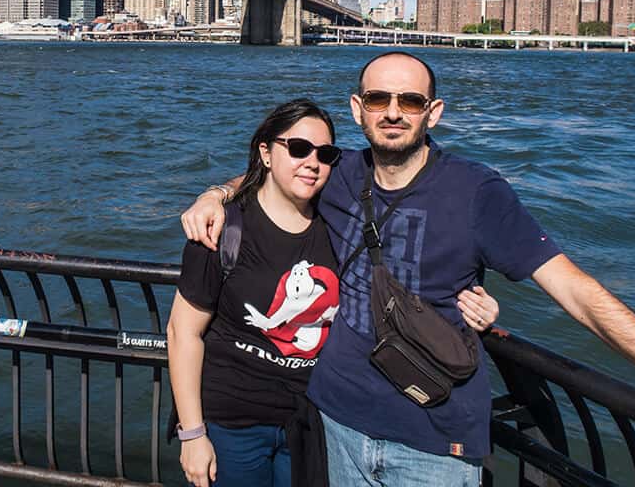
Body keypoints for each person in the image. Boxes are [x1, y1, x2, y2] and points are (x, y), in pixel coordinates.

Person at [181, 51, 635, 486]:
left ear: (431, 112)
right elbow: (280, 170)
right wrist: (217, 192)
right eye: (379, 100)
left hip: (434, 444)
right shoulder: (339, 172)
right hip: (335, 423)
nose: (393, 113)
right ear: (359, 109)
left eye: (409, 101)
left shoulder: (477, 192)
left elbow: (577, 292)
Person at [167, 98, 499, 487]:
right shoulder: (224, 230)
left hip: (313, 422)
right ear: (266, 153)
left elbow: (405, 275)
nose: (312, 162)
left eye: (325, 154)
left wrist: (471, 304)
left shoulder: (339, 224)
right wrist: (193, 434)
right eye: (298, 148)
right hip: (232, 423)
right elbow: (182, 333)